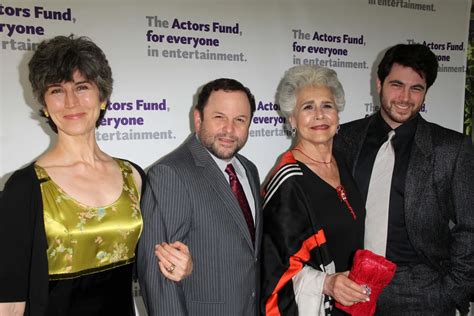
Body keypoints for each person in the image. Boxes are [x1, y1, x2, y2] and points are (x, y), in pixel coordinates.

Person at [0, 35, 191, 316]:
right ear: (44, 103)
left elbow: (153, 262)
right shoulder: (26, 187)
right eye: (56, 90)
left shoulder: (133, 176)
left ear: (102, 97)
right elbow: (10, 301)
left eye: (81, 87)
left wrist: (181, 265)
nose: (70, 102)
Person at [334, 43, 474, 315]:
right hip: (353, 282)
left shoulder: (451, 148)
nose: (405, 97)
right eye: (396, 85)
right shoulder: (345, 138)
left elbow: (470, 227)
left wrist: (452, 293)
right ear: (379, 83)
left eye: (416, 88)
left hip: (421, 290)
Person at [137, 78, 262, 315]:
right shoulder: (170, 174)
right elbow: (158, 279)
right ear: (198, 119)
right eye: (219, 117)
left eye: (240, 120)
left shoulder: (249, 170)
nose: (229, 129)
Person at [261, 65, 369, 315]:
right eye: (308, 107)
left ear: (338, 115)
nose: (320, 115)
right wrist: (327, 283)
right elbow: (273, 269)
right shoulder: (288, 180)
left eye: (327, 106)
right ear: (292, 119)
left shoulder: (341, 162)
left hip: (353, 305)